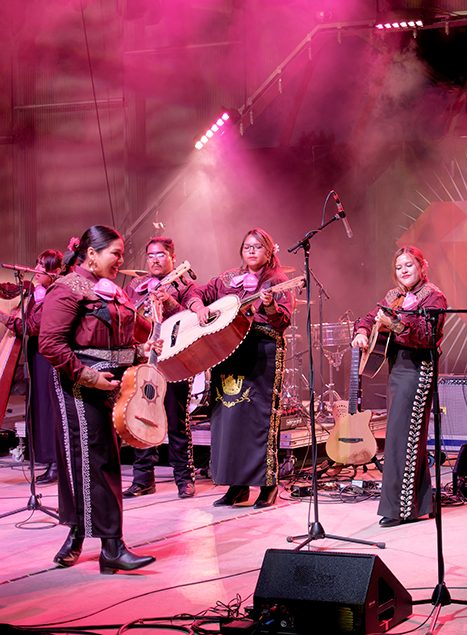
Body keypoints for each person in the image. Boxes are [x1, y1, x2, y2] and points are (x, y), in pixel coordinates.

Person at [38, 225, 156, 574]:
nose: (121, 260)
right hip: (82, 384)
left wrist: (139, 350)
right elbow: (50, 343)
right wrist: (89, 376)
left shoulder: (111, 290)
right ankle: (111, 547)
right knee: (94, 460)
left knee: (100, 461)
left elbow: (117, 335)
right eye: (115, 253)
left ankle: (81, 535)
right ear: (92, 253)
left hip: (113, 384)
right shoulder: (67, 288)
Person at [191, 228, 294, 509]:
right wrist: (198, 306)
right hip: (227, 352)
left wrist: (270, 306)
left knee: (258, 421)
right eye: (247, 246)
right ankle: (236, 486)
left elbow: (282, 322)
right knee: (228, 420)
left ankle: (267, 485)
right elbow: (198, 291)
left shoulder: (277, 281)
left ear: (269, 252)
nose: (251, 251)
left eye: (258, 247)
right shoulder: (227, 279)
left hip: (261, 354)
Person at [352, 246, 447, 527]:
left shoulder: (433, 296)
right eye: (399, 267)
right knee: (403, 436)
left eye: (409, 265)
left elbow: (427, 336)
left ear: (422, 266)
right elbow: (368, 318)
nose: (404, 270)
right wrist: (361, 332)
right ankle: (418, 504)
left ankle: (400, 509)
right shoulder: (394, 296)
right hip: (398, 369)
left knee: (403, 438)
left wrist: (396, 326)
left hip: (418, 368)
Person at [123, 237, 203, 499]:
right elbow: (125, 315)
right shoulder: (136, 285)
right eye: (150, 255)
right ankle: (143, 479)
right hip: (144, 358)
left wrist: (169, 303)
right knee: (141, 416)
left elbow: (192, 318)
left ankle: (184, 479)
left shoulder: (184, 283)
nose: (155, 260)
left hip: (175, 360)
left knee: (177, 421)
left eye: (160, 255)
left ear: (172, 256)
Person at [0, 249, 64, 484]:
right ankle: (49, 462)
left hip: (49, 359)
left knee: (49, 410)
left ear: (55, 272)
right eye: (37, 263)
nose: (37, 270)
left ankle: (56, 464)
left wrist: (3, 317)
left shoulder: (53, 294)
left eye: (43, 267)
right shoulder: (37, 291)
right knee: (40, 408)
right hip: (38, 355)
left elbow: (32, 326)